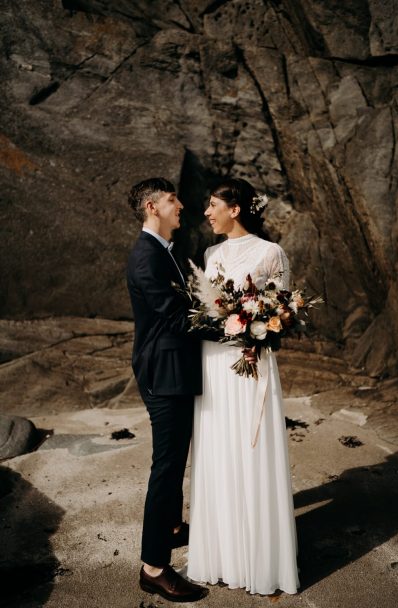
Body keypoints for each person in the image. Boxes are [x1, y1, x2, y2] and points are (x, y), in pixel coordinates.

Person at [187, 177, 300, 595]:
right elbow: (202, 310)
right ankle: (221, 555)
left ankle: (259, 560)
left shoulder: (271, 252)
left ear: (235, 209)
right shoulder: (210, 253)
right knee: (218, 451)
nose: (206, 212)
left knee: (251, 454)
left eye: (213, 204)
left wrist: (258, 329)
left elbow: (283, 315)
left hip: (249, 364)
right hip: (213, 364)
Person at [126, 177, 208, 603]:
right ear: (152, 207)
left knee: (175, 458)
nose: (180, 206)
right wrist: (231, 326)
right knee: (167, 467)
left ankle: (173, 528)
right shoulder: (146, 258)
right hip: (164, 373)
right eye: (172, 200)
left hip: (174, 367)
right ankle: (153, 567)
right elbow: (175, 319)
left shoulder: (166, 251)